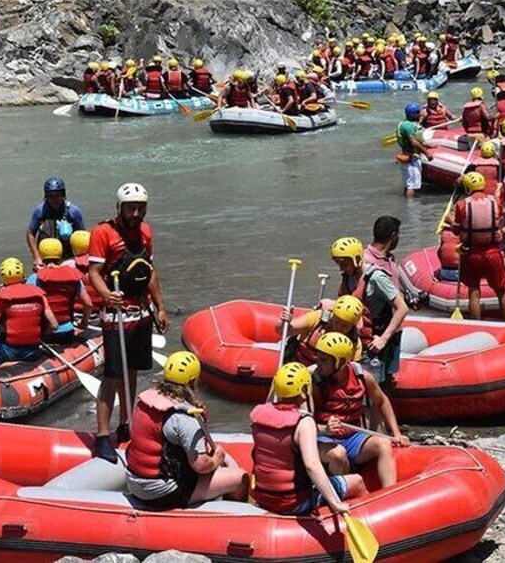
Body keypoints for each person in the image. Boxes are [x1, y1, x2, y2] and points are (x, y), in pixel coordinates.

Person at [89, 183, 170, 463]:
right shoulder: (103, 233)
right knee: (112, 375)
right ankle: (102, 434)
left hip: (140, 312)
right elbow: (95, 272)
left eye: (141, 208)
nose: (136, 213)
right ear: (120, 208)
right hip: (116, 315)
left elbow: (148, 271)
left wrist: (160, 306)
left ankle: (126, 423)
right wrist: (106, 296)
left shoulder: (146, 232)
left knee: (132, 370)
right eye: (131, 208)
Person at [126, 351, 248, 508]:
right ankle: (233, 515)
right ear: (192, 381)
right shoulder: (185, 417)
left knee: (227, 459)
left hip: (135, 481)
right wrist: (216, 460)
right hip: (161, 492)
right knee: (240, 477)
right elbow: (201, 465)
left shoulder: (146, 400)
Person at [251, 362, 366, 514]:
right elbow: (312, 466)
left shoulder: (257, 413)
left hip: (263, 497)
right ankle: (369, 519)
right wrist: (335, 503)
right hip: (293, 503)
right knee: (357, 481)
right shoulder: (303, 422)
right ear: (305, 389)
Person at [311, 332, 409, 487]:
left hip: (351, 438)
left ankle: (390, 494)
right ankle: (347, 494)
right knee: (338, 454)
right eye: (318, 358)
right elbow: (302, 422)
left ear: (340, 362)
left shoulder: (362, 377)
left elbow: (382, 401)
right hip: (322, 440)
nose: (318, 363)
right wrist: (325, 429)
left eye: (323, 360)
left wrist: (396, 434)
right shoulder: (314, 382)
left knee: (383, 444)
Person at [331, 237, 409, 383]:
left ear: (356, 259)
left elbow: (402, 308)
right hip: (358, 340)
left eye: (344, 263)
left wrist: (383, 339)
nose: (341, 268)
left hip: (376, 340)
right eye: (338, 264)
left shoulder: (377, 278)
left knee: (374, 386)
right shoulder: (347, 277)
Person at [443, 172, 505, 321]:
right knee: (501, 291)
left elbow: (457, 229)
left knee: (474, 292)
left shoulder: (462, 205)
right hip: (493, 253)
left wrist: (449, 219)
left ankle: (477, 325)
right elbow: (499, 218)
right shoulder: (495, 202)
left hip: (472, 254)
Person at [0, 258, 58, 365]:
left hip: (8, 352)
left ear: (2, 278)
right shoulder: (39, 295)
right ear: (23, 275)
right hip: (33, 351)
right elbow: (54, 325)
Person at [27, 239, 92, 343]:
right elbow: (88, 304)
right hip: (68, 332)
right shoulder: (73, 277)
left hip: (44, 334)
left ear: (41, 255)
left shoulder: (34, 279)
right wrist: (84, 323)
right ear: (61, 254)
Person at [279, 295, 364, 365]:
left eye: (345, 326)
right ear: (332, 315)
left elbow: (351, 371)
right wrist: (285, 323)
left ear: (353, 326)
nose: (339, 328)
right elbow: (284, 331)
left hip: (323, 381)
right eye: (337, 322)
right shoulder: (317, 318)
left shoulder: (355, 343)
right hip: (298, 369)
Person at [27, 176, 85, 268]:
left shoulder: (73, 212)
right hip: (45, 258)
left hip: (68, 256)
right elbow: (30, 234)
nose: (54, 200)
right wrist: (36, 257)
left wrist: (81, 259)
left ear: (63, 195)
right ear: (46, 197)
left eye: (57, 195)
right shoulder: (40, 211)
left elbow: (82, 236)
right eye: (51, 196)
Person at [397, 102, 433, 199]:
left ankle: (407, 204)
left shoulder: (404, 123)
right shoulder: (408, 126)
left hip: (406, 155)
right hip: (411, 158)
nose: (420, 114)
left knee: (408, 184)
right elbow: (414, 142)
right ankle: (412, 207)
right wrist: (426, 152)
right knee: (412, 186)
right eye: (419, 112)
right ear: (414, 114)